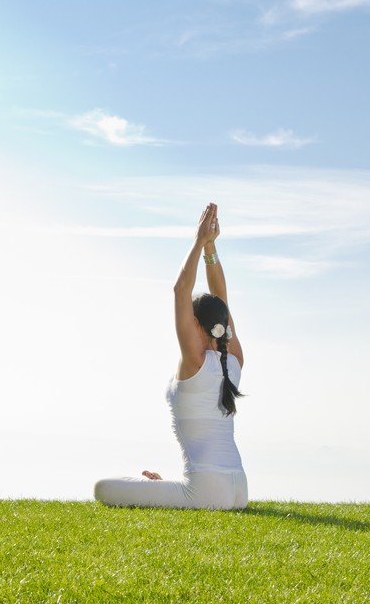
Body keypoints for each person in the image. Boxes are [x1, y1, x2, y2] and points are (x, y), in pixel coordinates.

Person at [94, 202, 247, 510]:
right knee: (163, 486)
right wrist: (211, 249)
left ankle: (164, 489)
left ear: (197, 325)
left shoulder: (195, 361)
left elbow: (181, 289)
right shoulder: (234, 360)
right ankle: (164, 487)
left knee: (102, 489)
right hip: (239, 489)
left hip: (208, 491)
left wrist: (198, 241)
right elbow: (222, 299)